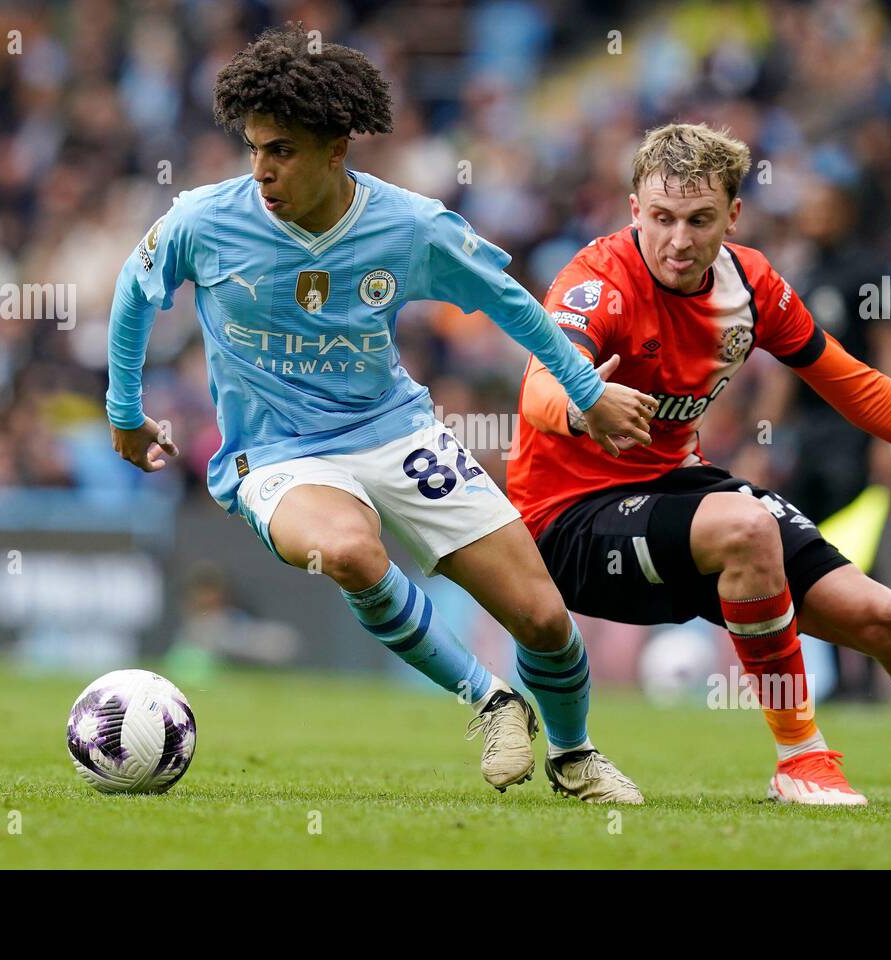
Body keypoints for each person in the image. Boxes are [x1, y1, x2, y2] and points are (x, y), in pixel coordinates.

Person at [105, 25, 657, 804]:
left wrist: (587, 392)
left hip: (397, 432)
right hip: (278, 454)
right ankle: (489, 699)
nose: (262, 171)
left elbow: (517, 309)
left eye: (283, 152)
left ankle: (573, 757)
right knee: (350, 552)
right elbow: (135, 292)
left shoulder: (409, 227)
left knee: (541, 619)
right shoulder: (205, 221)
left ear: (337, 149)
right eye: (254, 149)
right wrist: (124, 411)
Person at [509, 121, 891, 807]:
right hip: (566, 521)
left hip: (675, 495)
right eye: (661, 218)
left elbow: (858, 387)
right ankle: (801, 760)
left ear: (734, 215)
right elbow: (536, 387)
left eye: (699, 219)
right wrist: (585, 405)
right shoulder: (598, 283)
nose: (679, 240)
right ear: (634, 209)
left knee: (883, 617)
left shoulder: (751, 285)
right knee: (746, 525)